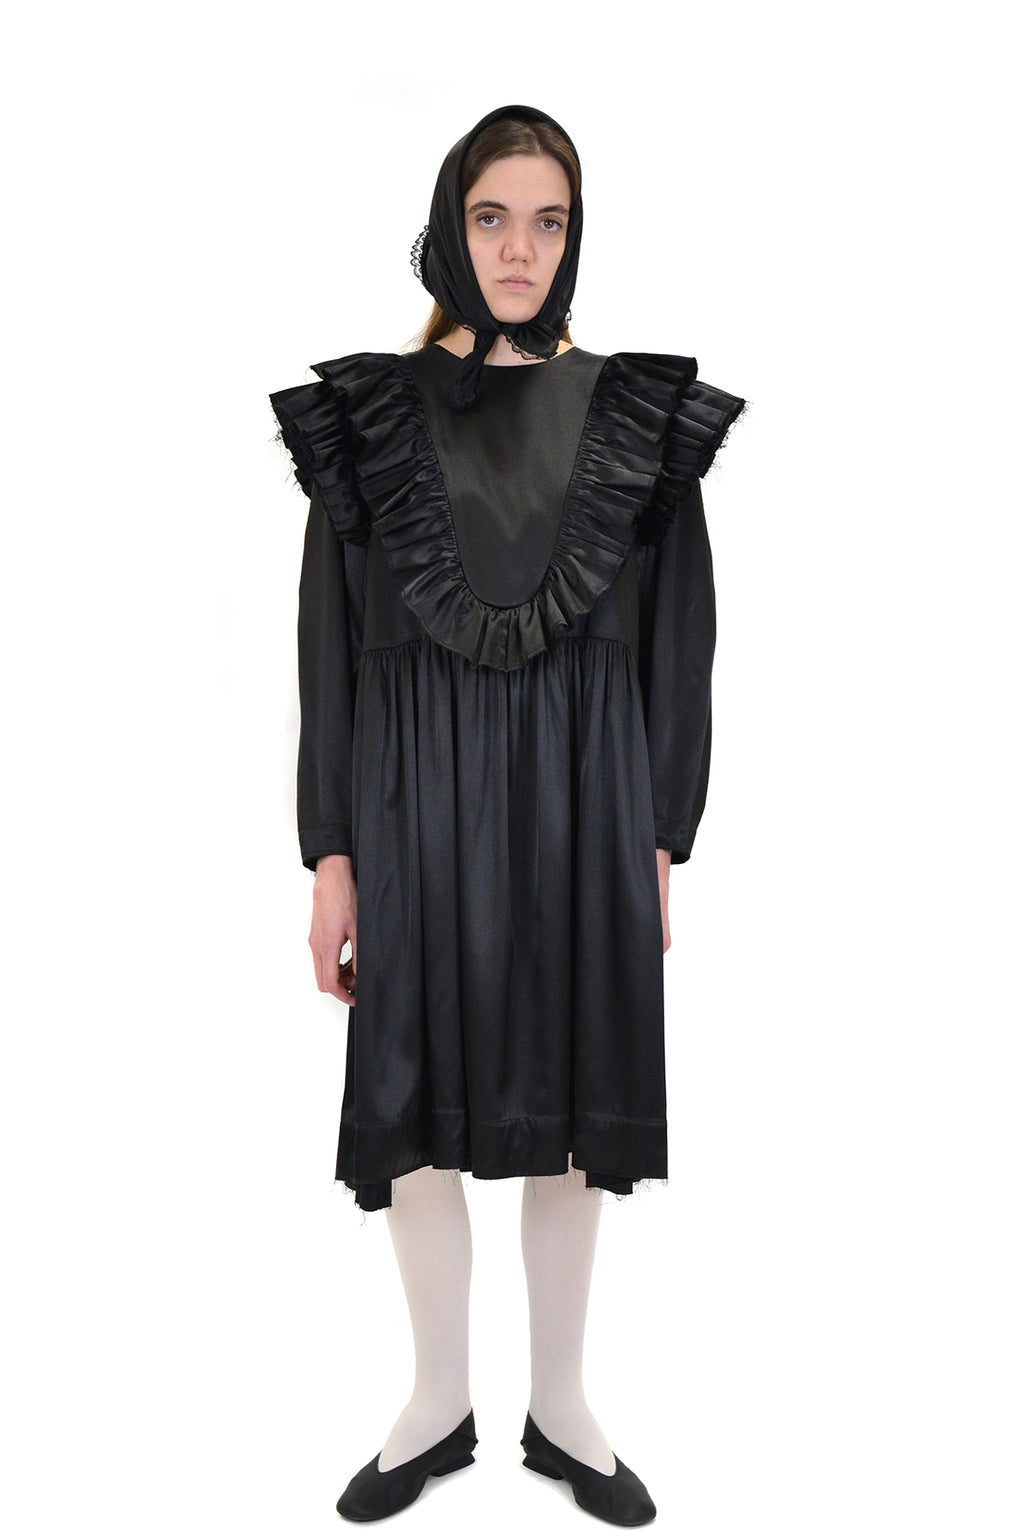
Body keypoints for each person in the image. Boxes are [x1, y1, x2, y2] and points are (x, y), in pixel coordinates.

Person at [269, 103, 747, 1527]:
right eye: (492, 217)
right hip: (411, 799)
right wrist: (331, 854)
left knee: (574, 1104)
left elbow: (681, 642)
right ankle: (436, 1402)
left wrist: (660, 837)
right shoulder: (372, 417)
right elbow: (325, 643)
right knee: (414, 1094)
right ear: (450, 227)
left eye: (548, 221)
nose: (520, 248)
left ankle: (561, 1407)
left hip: (587, 798)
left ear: (575, 236)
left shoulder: (634, 418)